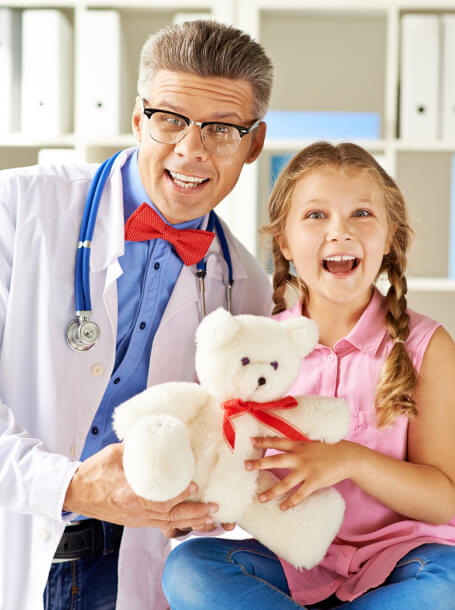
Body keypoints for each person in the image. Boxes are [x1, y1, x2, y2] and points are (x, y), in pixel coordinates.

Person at [0, 20, 274, 610]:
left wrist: (216, 496)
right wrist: (71, 486)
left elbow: (223, 438)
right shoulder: (17, 209)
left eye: (221, 129)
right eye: (170, 118)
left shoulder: (247, 286)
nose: (191, 150)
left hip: (128, 568)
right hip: (12, 537)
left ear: (253, 145)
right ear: (137, 119)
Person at [162, 142, 455, 609]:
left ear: (390, 237)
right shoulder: (256, 348)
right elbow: (230, 465)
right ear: (284, 242)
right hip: (292, 559)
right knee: (189, 568)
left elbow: (445, 499)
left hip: (404, 559)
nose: (340, 231)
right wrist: (198, 507)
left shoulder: (427, 347)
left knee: (446, 585)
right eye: (316, 215)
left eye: (361, 214)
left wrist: (351, 460)